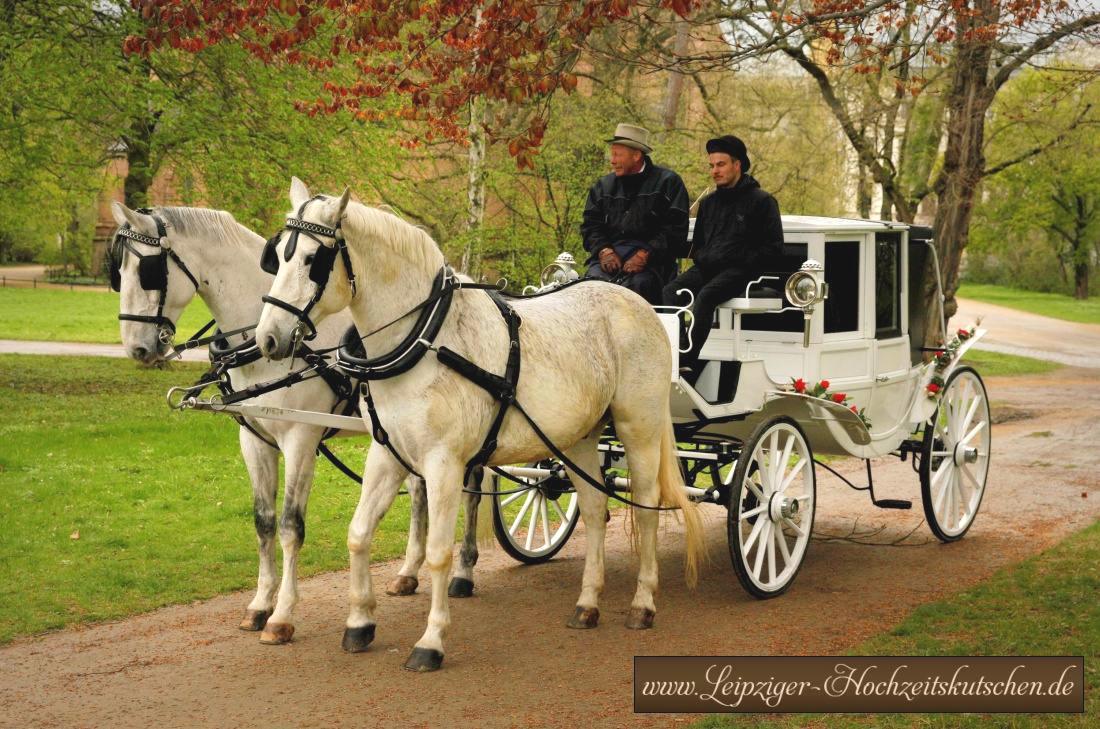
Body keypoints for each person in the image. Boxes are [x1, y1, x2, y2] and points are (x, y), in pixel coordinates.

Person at [663, 135, 784, 378]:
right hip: (708, 267)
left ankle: (687, 360)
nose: (714, 171)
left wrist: (741, 258)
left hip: (742, 272)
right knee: (670, 291)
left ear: (737, 165)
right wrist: (704, 256)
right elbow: (698, 244)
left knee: (707, 296)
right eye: (712, 165)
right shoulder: (708, 203)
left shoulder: (762, 201)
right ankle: (669, 352)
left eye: (721, 164)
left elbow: (774, 249)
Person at [580, 123, 689, 305]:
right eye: (612, 154)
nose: (612, 161)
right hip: (609, 257)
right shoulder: (603, 186)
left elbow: (675, 230)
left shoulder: (668, 183)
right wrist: (603, 250)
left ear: (637, 155)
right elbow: (590, 226)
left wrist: (645, 254)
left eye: (617, 155)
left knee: (637, 287)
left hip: (653, 263)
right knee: (592, 285)